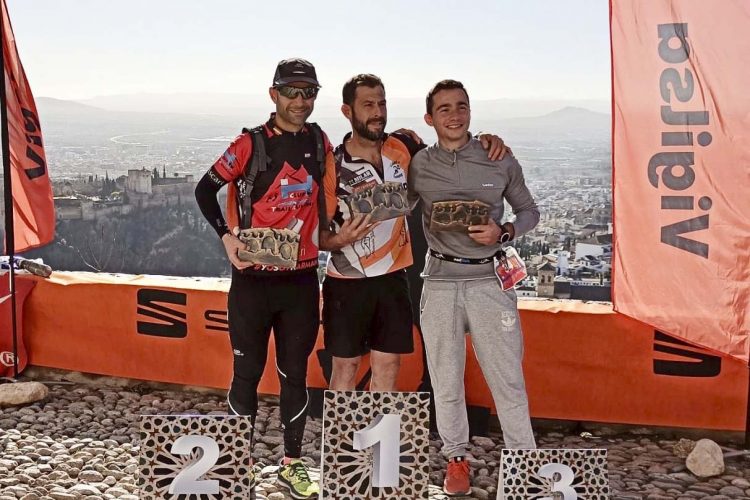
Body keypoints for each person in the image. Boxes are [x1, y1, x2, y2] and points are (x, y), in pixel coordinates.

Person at [194, 58, 335, 499]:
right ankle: (240, 463)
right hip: (253, 281)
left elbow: (331, 198)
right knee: (246, 373)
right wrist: (225, 239)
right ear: (273, 94)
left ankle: (292, 465)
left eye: (308, 92)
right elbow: (204, 189)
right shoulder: (250, 143)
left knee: (295, 374)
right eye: (291, 91)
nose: (300, 101)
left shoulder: (319, 139)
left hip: (300, 280)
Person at [319, 74, 507, 393]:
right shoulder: (332, 164)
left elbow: (449, 151)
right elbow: (317, 234)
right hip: (346, 282)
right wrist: (338, 240)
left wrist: (485, 140)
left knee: (389, 366)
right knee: (345, 367)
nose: (378, 111)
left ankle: (376, 442)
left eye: (382, 103)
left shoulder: (404, 146)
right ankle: (341, 442)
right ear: (347, 111)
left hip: (394, 278)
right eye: (368, 105)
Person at [408, 79, 539, 498]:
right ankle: (455, 459)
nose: (454, 114)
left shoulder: (497, 157)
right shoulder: (419, 165)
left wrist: (505, 231)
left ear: (470, 111)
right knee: (445, 380)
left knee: (508, 379)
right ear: (430, 119)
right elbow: (394, 203)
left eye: (461, 106)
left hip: (489, 281)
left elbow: (529, 210)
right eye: (444, 108)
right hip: (440, 281)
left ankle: (524, 465)